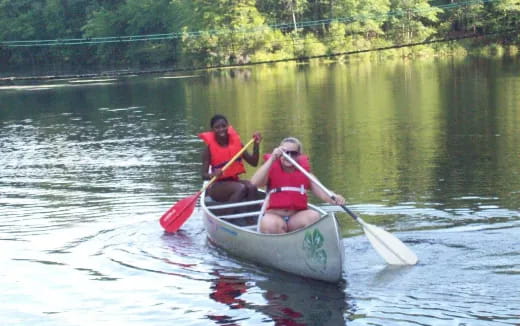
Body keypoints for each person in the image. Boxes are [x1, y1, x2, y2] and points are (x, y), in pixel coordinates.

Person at [250, 137, 345, 234]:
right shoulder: (270, 169)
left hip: (296, 218)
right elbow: (253, 184)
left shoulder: (306, 174)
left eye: (293, 153)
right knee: (270, 224)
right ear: (280, 154)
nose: (289, 156)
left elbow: (323, 193)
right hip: (275, 216)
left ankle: (301, 243)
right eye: (285, 152)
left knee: (313, 216)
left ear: (299, 155)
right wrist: (272, 159)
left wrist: (335, 197)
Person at [199, 114, 262, 205]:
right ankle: (228, 213)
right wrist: (212, 174)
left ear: (228, 127)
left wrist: (256, 145)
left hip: (234, 181)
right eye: (217, 127)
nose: (221, 129)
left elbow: (254, 162)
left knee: (252, 187)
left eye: (224, 126)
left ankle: (250, 218)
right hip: (217, 186)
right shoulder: (208, 149)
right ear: (212, 130)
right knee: (240, 188)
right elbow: (203, 175)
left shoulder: (237, 144)